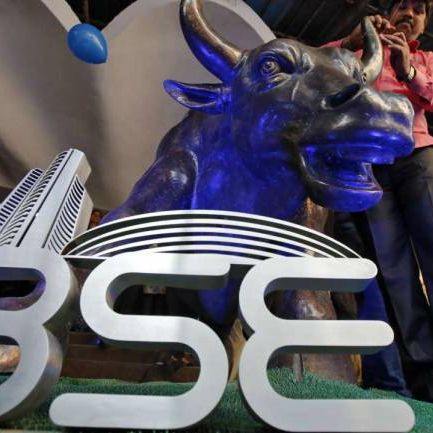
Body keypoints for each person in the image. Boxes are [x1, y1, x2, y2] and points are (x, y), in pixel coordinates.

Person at [326, 0, 433, 402]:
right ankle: (423, 380)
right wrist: (353, 39)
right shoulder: (357, 53)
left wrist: (409, 71)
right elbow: (316, 64)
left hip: (418, 157)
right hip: (371, 165)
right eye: (403, 4)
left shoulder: (426, 59)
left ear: (424, 23)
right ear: (388, 13)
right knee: (394, 272)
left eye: (419, 9)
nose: (410, 13)